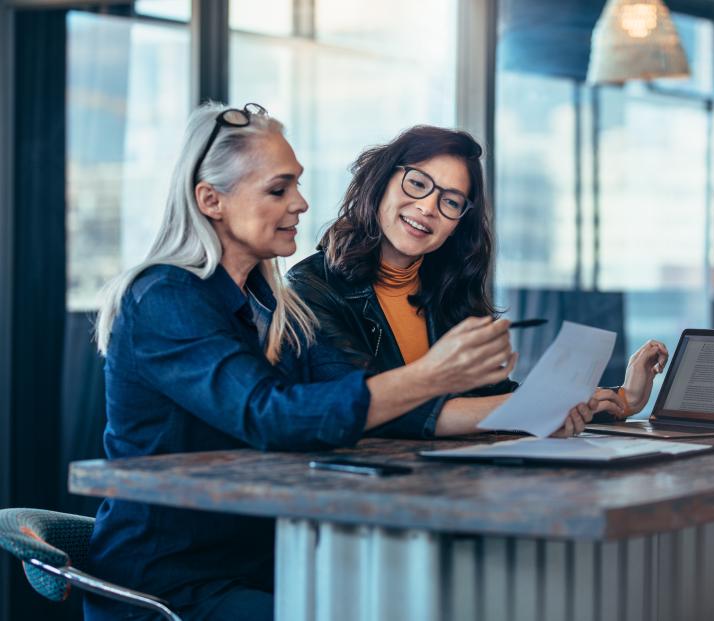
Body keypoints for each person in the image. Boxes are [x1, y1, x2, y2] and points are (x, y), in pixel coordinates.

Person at [87, 104, 590, 621]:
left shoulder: (274, 303)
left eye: (298, 185)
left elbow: (359, 400)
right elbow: (271, 415)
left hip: (266, 561)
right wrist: (433, 374)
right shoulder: (164, 298)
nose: (301, 204)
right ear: (211, 200)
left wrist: (542, 405)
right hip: (175, 583)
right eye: (279, 190)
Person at [287, 125, 669, 438]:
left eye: (451, 201)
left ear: (458, 224)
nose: (428, 208)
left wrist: (621, 398)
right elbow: (373, 408)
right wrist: (537, 409)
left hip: (450, 484)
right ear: (381, 181)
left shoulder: (446, 289)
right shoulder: (310, 289)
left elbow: (493, 399)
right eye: (417, 183)